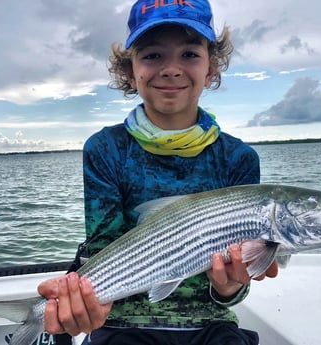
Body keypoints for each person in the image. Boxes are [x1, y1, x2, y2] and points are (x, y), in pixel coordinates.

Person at [38, 1, 278, 344]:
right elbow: (103, 247)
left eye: (190, 54)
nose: (171, 69)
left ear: (211, 68)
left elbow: (237, 282)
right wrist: (85, 306)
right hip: (122, 322)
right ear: (129, 72)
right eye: (152, 55)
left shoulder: (238, 157)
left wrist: (231, 287)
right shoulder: (105, 149)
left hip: (209, 322)